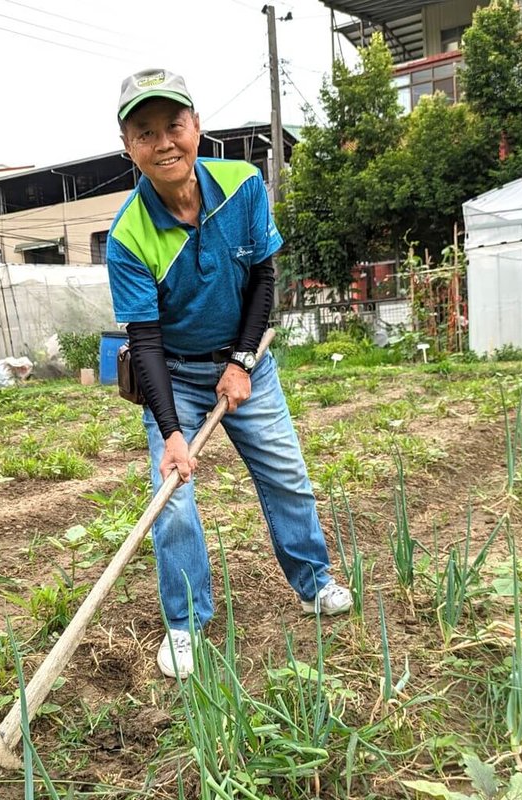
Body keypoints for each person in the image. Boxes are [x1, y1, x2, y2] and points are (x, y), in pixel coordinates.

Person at [107, 68, 352, 679]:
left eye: (174, 125)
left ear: (196, 127)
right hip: (177, 375)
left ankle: (314, 581)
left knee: (286, 474)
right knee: (174, 503)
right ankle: (187, 624)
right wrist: (169, 431)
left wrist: (243, 363)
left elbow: (264, 279)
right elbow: (146, 341)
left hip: (250, 365)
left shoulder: (242, 186)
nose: (163, 142)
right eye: (145, 132)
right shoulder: (127, 236)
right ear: (127, 146)